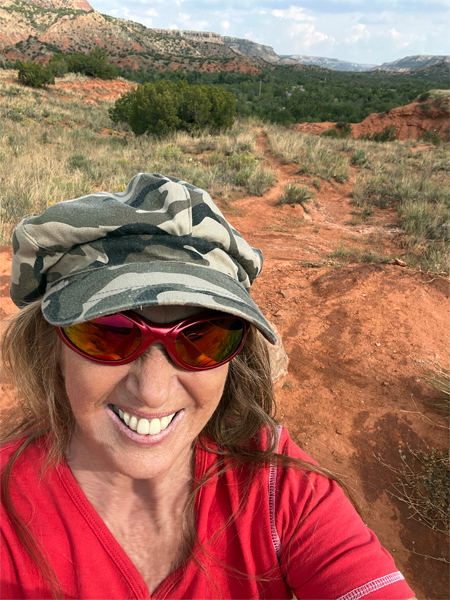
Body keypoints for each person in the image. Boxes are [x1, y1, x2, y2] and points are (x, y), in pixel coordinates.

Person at [1, 173, 415, 600]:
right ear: (49, 345)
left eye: (202, 337)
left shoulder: (277, 491)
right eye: (109, 333)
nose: (153, 391)